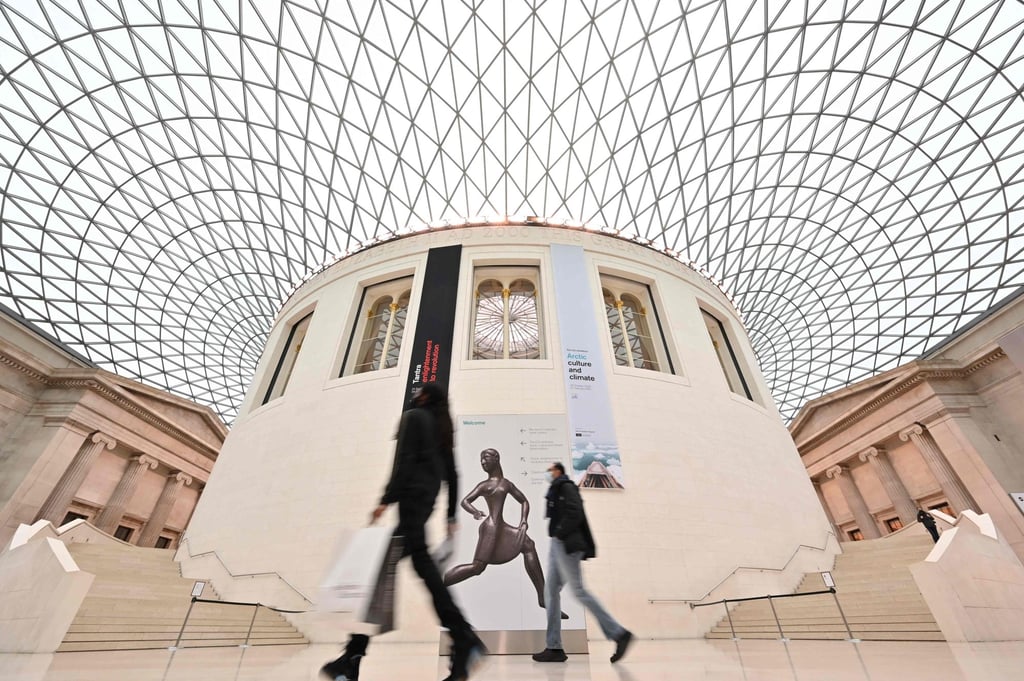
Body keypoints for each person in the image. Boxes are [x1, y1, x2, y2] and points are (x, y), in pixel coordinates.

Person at [320, 383, 486, 681]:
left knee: (397, 568)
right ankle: (353, 656)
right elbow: (453, 475)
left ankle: (464, 639)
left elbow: (404, 462)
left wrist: (385, 499)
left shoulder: (414, 417)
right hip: (424, 503)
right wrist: (449, 515)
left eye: (418, 390)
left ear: (423, 397)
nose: (414, 393)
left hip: (409, 501)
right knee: (387, 570)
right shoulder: (441, 430)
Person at [532, 462, 633, 664]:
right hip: (557, 544)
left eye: (550, 470)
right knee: (550, 592)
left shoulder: (567, 486)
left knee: (578, 591)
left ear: (558, 471)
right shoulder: (556, 488)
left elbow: (575, 512)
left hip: (566, 544)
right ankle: (554, 647)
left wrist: (560, 533)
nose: (547, 473)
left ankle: (619, 633)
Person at [444, 448, 554, 615]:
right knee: (477, 567)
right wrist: (474, 511)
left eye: (486, 458)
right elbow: (465, 501)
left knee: (528, 545)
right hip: (490, 528)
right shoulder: (484, 485)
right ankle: (441, 583)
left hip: (501, 526)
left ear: (496, 458)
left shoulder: (506, 484)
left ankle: (543, 597)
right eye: (481, 459)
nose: (482, 462)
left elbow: (523, 501)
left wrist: (523, 520)